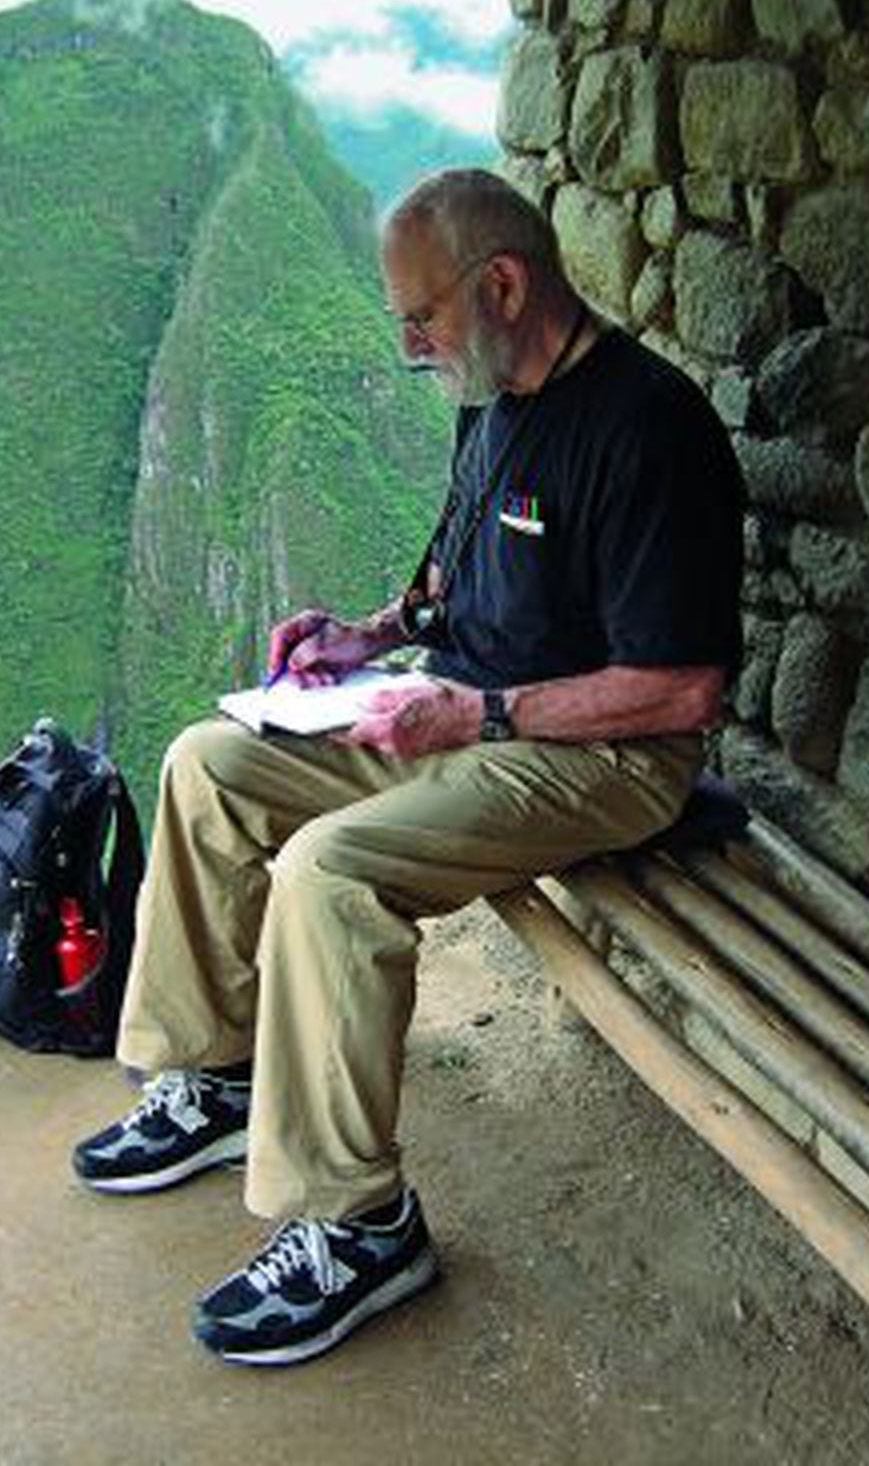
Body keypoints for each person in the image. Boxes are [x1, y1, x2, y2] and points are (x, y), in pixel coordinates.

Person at [72, 168, 745, 1366]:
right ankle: (215, 1076)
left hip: (604, 754)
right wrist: (368, 636)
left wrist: (476, 711)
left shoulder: (653, 429)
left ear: (502, 284)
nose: (408, 341)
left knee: (329, 871)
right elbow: (453, 582)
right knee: (206, 765)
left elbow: (684, 688)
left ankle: (360, 1222)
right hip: (458, 713)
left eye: (421, 316)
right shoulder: (489, 397)